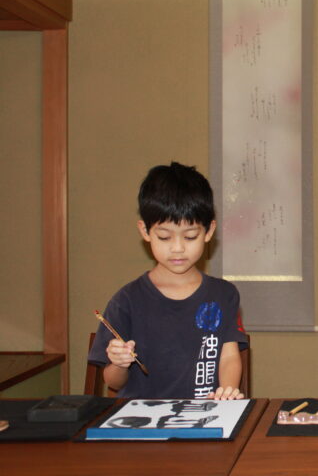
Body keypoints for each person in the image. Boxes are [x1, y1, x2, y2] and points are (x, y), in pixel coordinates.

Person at [88, 162, 248, 399]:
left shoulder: (223, 294)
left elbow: (229, 356)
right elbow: (113, 383)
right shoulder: (127, 301)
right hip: (142, 425)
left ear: (209, 231)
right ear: (145, 231)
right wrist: (119, 363)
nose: (177, 248)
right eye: (164, 237)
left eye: (190, 236)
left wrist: (227, 390)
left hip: (204, 418)